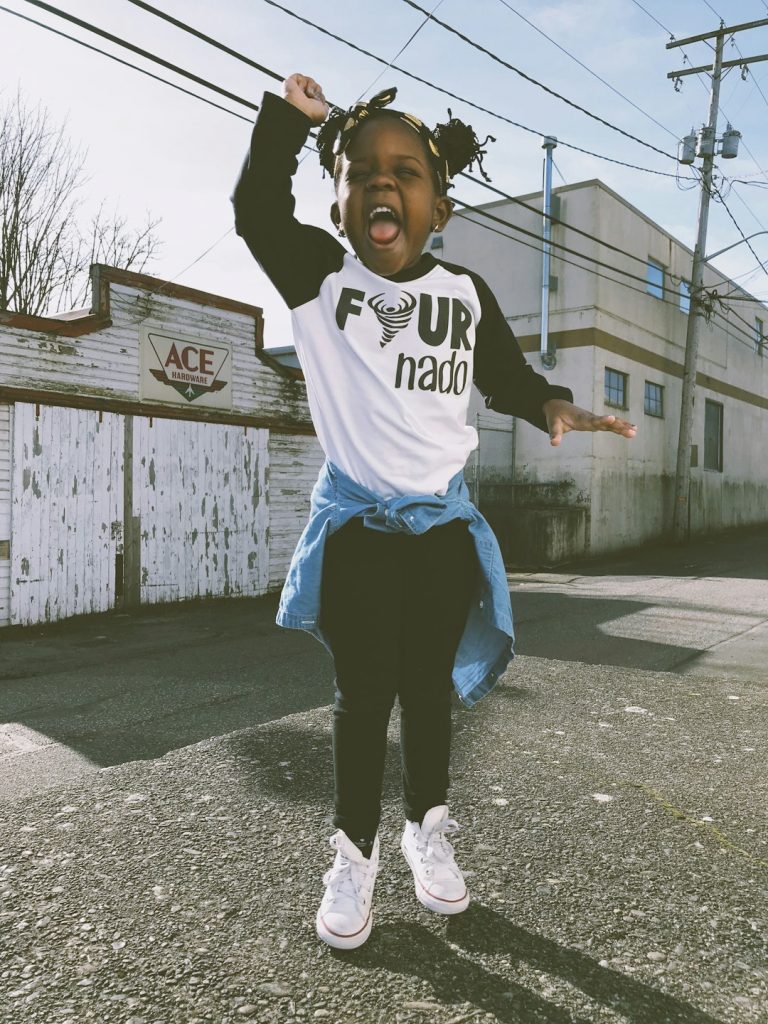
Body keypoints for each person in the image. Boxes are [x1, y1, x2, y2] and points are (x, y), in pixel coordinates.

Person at [232, 73, 636, 951]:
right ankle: (353, 854)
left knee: (428, 693)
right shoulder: (315, 278)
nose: (384, 185)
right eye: (363, 172)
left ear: (439, 204)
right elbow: (255, 210)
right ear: (338, 206)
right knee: (362, 695)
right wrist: (292, 124)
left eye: (406, 172)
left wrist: (552, 406)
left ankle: (426, 830)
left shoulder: (464, 294)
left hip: (443, 533)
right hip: (359, 533)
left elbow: (506, 378)